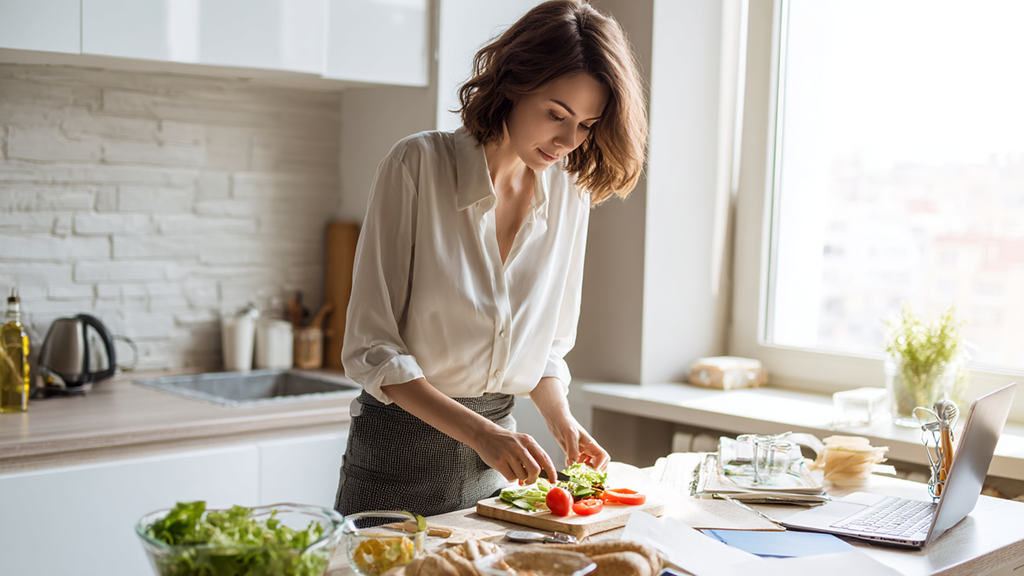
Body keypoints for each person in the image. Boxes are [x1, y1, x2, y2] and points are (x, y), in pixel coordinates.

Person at [335, 0, 648, 517]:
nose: (568, 141)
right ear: (512, 83)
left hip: (496, 473)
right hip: (395, 464)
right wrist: (481, 434)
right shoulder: (416, 165)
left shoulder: (569, 194)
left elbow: (546, 348)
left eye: (587, 125)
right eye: (556, 114)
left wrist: (562, 422)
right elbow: (373, 349)